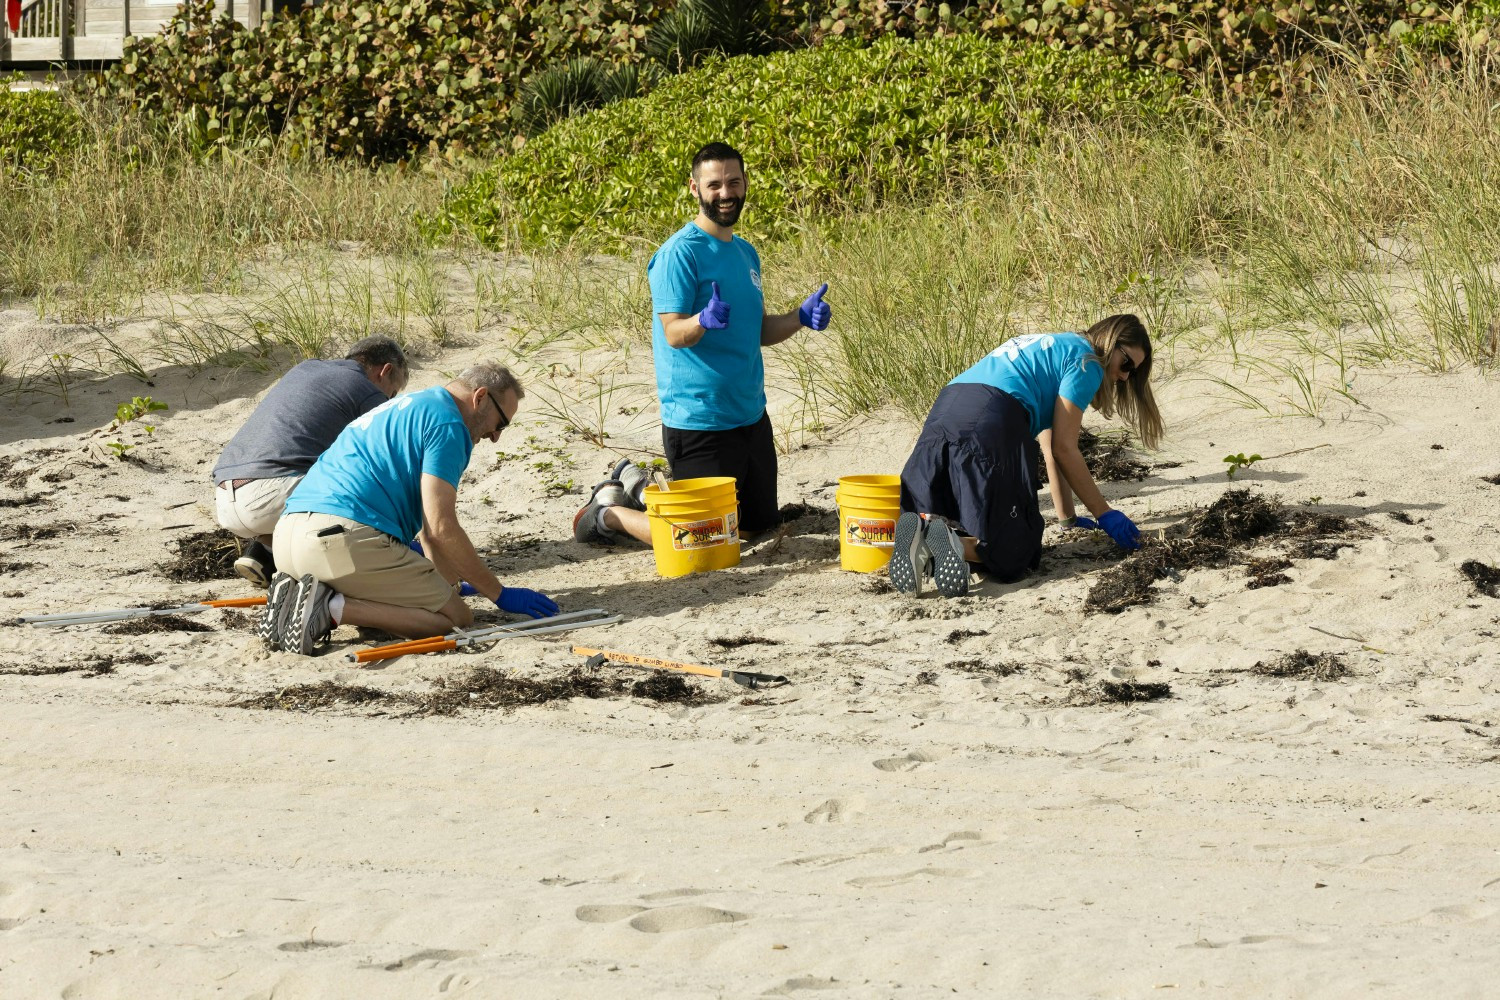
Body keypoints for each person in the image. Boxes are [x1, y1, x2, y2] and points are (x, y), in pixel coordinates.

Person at [572, 141, 832, 547]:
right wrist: (702, 320)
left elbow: (757, 331)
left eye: (733, 182)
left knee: (754, 532)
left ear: (745, 184)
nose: (725, 193)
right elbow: (674, 333)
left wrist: (799, 319)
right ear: (695, 189)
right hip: (699, 422)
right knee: (705, 541)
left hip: (751, 419)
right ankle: (610, 514)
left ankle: (639, 487)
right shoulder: (679, 253)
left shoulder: (746, 253)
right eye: (714, 185)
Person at [264, 363, 559, 656]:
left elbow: (429, 533)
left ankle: (304, 597)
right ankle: (328, 608)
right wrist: (499, 593)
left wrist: (449, 587)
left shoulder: (409, 406)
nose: (496, 436)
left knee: (437, 602)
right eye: (501, 423)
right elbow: (441, 528)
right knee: (456, 619)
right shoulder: (449, 424)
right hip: (342, 542)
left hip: (287, 541)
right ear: (480, 397)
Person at [890, 314, 1163, 598]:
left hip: (947, 406)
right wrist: (1104, 513)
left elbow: (1051, 447)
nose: (1124, 376)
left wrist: (1067, 518)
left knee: (947, 511)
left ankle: (922, 535)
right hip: (993, 414)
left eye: (1132, 372)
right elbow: (1065, 448)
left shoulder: (1056, 346)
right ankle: (952, 543)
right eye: (1127, 363)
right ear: (1110, 341)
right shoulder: (1088, 363)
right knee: (1017, 550)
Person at [213, 336, 408, 587]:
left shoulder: (304, 368)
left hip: (226, 499)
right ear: (385, 371)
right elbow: (390, 464)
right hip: (272, 495)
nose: (388, 400)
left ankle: (264, 551)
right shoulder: (367, 390)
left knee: (312, 463)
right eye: (392, 393)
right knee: (368, 487)